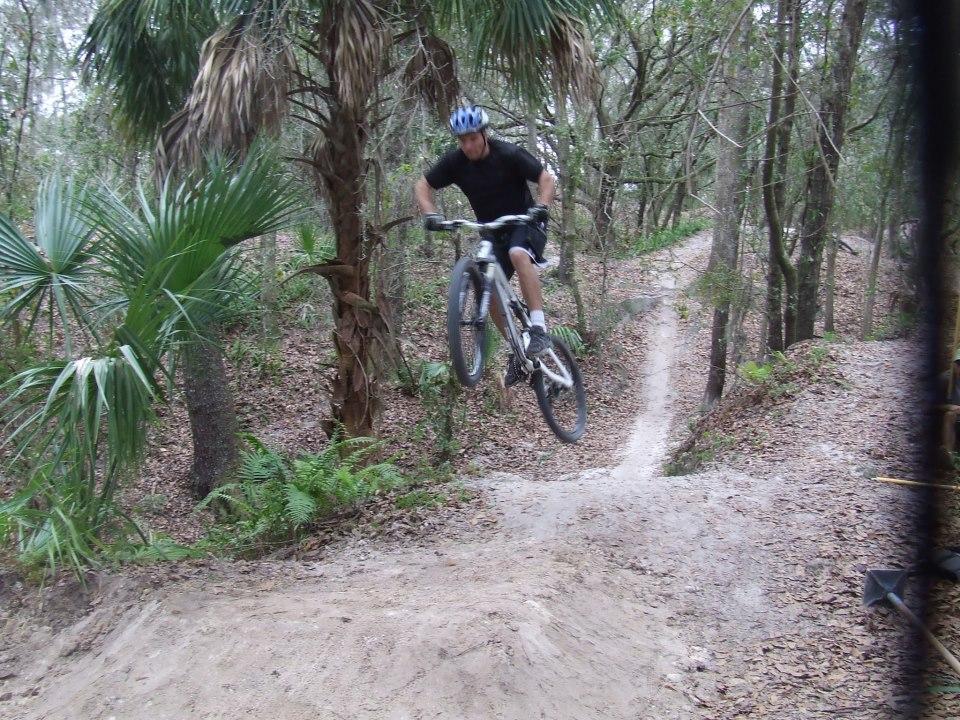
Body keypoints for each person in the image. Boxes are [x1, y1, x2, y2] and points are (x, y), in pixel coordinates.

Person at [414, 105, 557, 387]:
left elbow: (546, 178)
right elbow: (423, 185)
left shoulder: (509, 154)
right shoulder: (455, 163)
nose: (468, 145)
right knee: (486, 289)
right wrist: (430, 214)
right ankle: (517, 349)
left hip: (524, 222)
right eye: (462, 140)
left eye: (472, 138)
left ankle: (538, 327)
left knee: (518, 253)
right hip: (491, 230)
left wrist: (542, 205)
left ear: (484, 135)